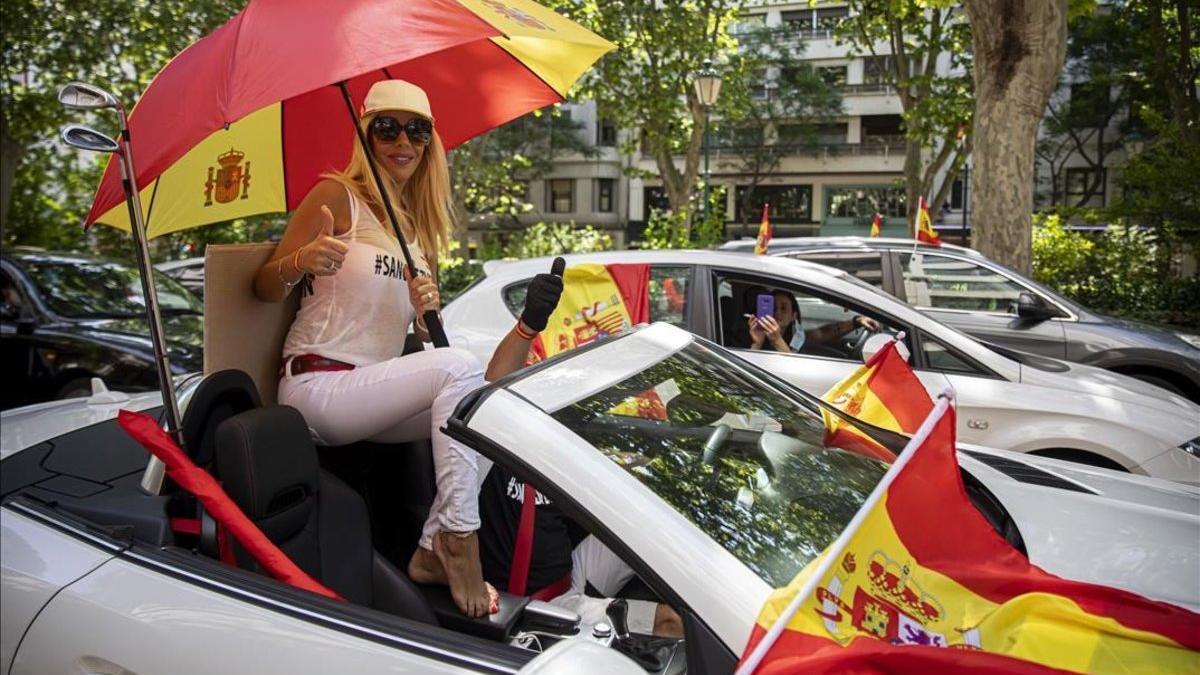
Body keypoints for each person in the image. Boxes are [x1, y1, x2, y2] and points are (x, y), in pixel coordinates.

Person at [253, 79, 491, 617]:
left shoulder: (414, 228)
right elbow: (264, 288)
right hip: (317, 385)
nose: (401, 140)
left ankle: (435, 544)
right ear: (366, 133)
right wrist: (301, 261)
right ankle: (457, 537)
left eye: (417, 130)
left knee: (490, 406)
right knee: (460, 369)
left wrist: (427, 315)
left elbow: (419, 338)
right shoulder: (336, 196)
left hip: (371, 391)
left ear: (430, 143)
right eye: (387, 127)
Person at [479, 261, 685, 638]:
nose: (534, 378)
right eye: (526, 371)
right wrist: (530, 324)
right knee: (673, 622)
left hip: (571, 571)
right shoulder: (490, 442)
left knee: (664, 522)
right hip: (543, 603)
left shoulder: (560, 435)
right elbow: (494, 380)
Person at [748, 288, 882, 354]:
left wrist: (856, 321)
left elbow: (824, 333)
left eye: (784, 308)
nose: (777, 312)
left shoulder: (797, 337)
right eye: (773, 307)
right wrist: (757, 343)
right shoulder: (756, 334)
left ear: (793, 315)